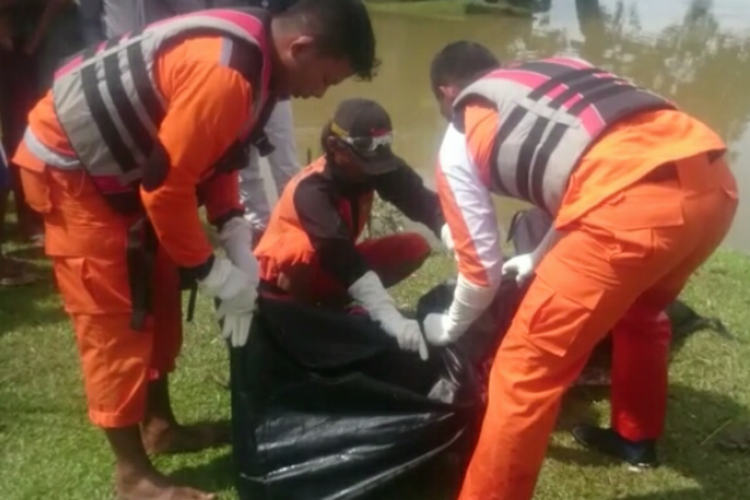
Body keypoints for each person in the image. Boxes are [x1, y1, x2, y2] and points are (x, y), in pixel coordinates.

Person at [11, 1, 379, 499]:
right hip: (74, 169)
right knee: (114, 319)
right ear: (302, 48)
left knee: (159, 292)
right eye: (326, 78)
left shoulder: (261, 67)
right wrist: (211, 271)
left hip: (131, 168)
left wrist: (232, 231)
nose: (319, 93)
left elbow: (218, 152)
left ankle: (159, 426)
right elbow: (164, 189)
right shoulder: (227, 74)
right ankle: (132, 476)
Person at [422, 41, 738, 500]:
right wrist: (535, 257)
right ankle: (635, 438)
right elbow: (585, 173)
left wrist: (447, 326)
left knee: (523, 371)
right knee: (641, 314)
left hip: (630, 209)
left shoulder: (458, 136)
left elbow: (480, 274)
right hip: (713, 185)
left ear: (448, 94)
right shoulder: (555, 70)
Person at [254, 98, 453, 361]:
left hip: (333, 266)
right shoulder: (312, 190)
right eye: (365, 163)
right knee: (301, 251)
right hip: (282, 283)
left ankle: (333, 307)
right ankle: (303, 322)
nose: (373, 172)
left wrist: (460, 246)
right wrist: (388, 315)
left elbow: (424, 204)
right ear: (336, 148)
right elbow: (340, 256)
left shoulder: (373, 168)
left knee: (415, 246)